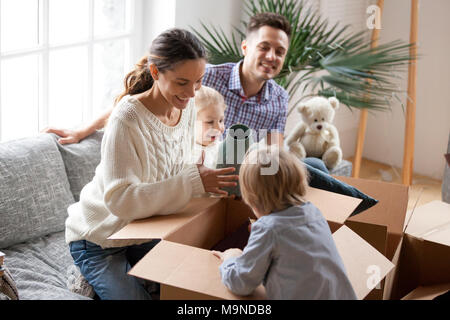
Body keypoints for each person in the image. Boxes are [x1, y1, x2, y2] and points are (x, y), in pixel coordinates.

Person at [43, 12, 377, 215]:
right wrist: (83, 131)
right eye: (264, 46)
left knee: (313, 165)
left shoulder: (279, 96)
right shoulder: (208, 77)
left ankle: (350, 211)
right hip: (216, 163)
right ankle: (368, 209)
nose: (271, 56)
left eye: (279, 51)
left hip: (251, 167)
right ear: (246, 48)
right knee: (308, 168)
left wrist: (275, 174)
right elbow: (136, 100)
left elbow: (275, 148)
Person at [66, 28, 239, 300]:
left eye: (198, 82)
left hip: (145, 230)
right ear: (156, 72)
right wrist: (194, 181)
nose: (192, 94)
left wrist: (211, 182)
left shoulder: (187, 106)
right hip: (100, 238)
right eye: (182, 83)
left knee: (195, 286)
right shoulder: (128, 120)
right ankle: (86, 276)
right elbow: (120, 200)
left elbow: (181, 170)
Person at [212, 147, 357, 300]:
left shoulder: (269, 229)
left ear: (251, 199)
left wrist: (231, 258)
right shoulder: (314, 212)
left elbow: (241, 283)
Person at [192, 86, 227, 169]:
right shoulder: (183, 153)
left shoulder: (224, 149)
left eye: (221, 120)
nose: (219, 128)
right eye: (210, 122)